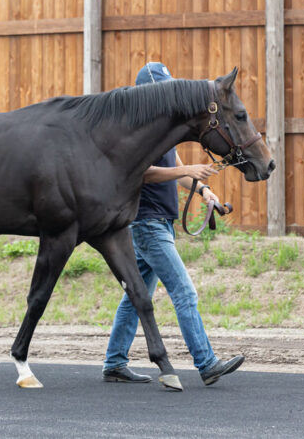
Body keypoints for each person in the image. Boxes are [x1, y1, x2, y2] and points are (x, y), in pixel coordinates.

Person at [102, 62, 244, 386]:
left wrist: (204, 190)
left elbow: (175, 163)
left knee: (135, 296)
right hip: (146, 223)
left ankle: (114, 362)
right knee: (184, 290)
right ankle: (206, 363)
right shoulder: (135, 130)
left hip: (161, 222)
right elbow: (141, 173)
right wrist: (188, 171)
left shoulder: (162, 128)